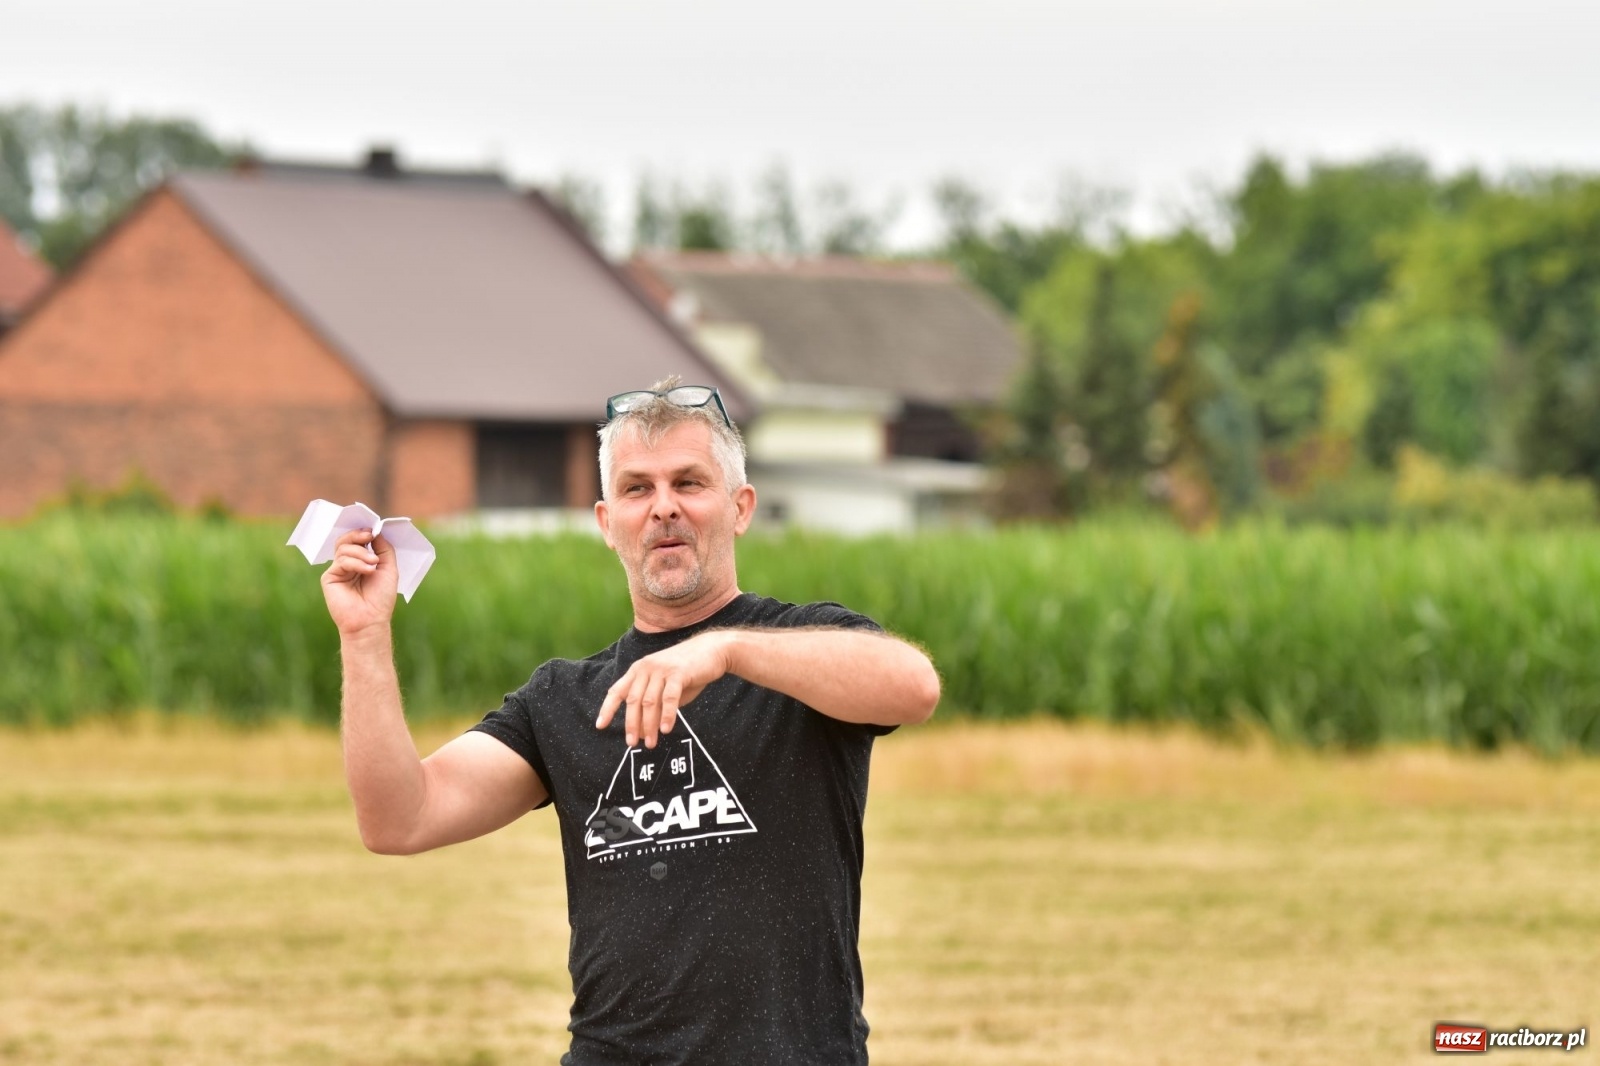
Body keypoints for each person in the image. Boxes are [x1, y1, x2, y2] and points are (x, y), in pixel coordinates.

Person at [319, 378, 940, 1065]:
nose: (663, 508)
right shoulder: (563, 701)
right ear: (605, 521)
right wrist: (364, 635)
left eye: (689, 483)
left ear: (741, 508)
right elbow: (399, 819)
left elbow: (913, 687)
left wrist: (728, 650)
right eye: (637, 489)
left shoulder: (802, 648)